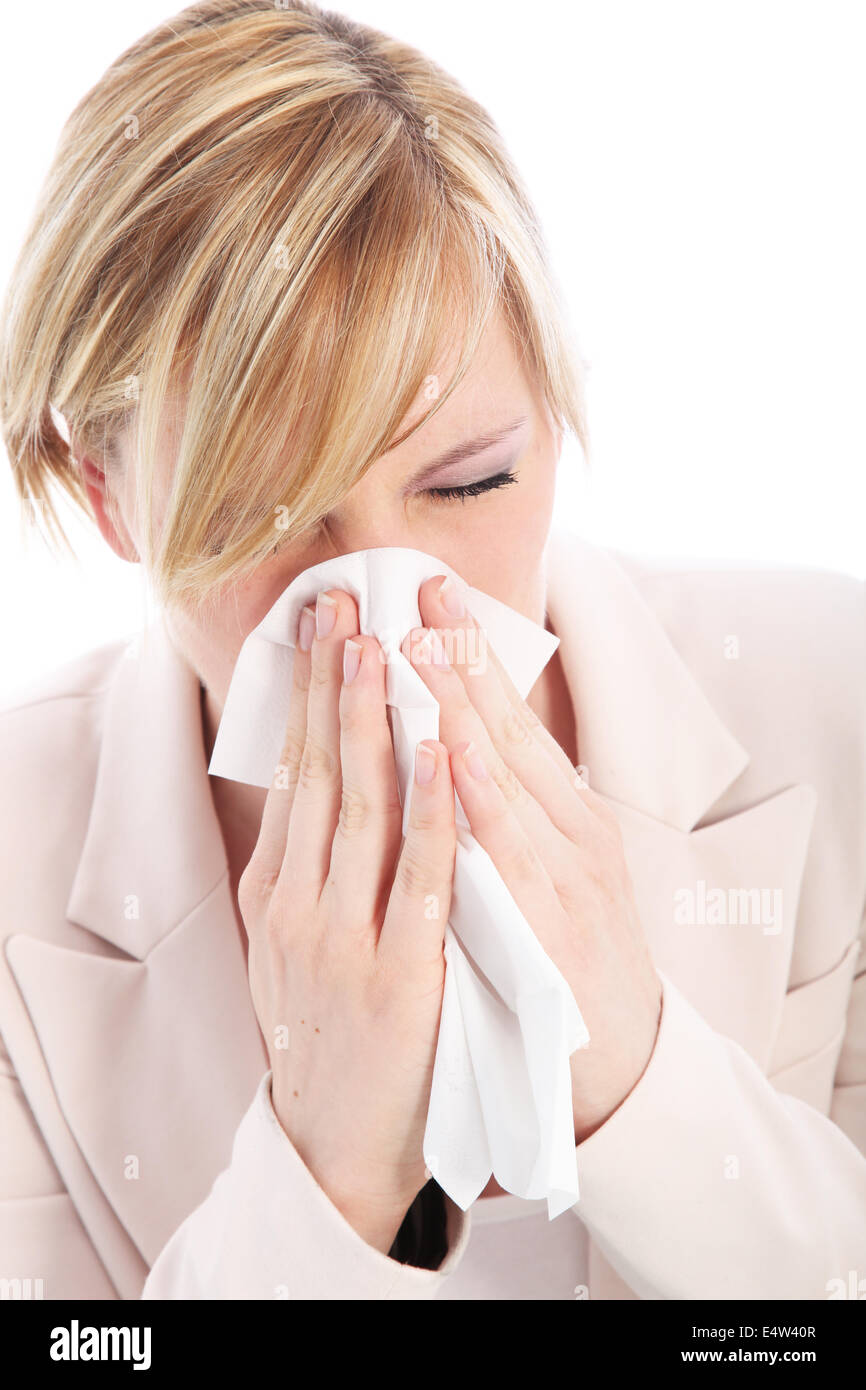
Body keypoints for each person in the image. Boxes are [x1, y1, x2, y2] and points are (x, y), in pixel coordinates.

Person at [0, 0, 863, 1301]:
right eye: (258, 517)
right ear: (106, 492)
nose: (386, 599)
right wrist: (323, 1178)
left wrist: (633, 1073)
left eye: (466, 483)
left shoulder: (828, 696)